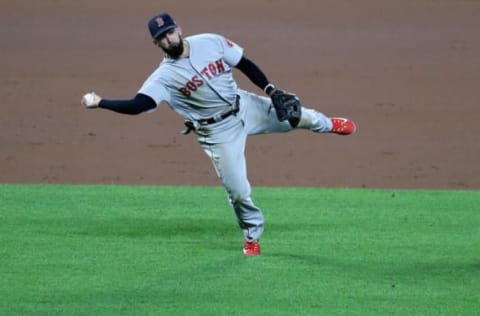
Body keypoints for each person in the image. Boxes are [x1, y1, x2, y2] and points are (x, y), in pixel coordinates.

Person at [81, 13, 356, 256]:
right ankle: (252, 235)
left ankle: (328, 124)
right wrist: (101, 102)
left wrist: (271, 91)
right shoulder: (162, 78)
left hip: (244, 105)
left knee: (298, 117)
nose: (168, 38)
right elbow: (139, 105)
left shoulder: (210, 42)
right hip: (217, 133)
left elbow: (244, 63)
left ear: (179, 28)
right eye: (161, 37)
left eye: (170, 32)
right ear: (156, 44)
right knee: (238, 191)